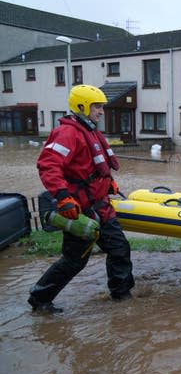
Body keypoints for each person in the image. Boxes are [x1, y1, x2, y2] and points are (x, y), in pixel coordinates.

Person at [28, 84, 134, 314]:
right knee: (75, 260)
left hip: (101, 207)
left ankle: (122, 297)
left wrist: (108, 183)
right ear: (82, 106)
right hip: (81, 210)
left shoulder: (90, 130)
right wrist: (63, 196)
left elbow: (92, 167)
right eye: (97, 106)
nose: (101, 111)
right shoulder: (68, 133)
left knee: (119, 248)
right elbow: (49, 165)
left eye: (102, 106)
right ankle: (40, 298)